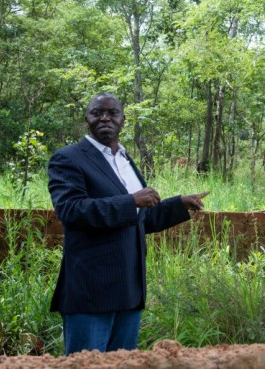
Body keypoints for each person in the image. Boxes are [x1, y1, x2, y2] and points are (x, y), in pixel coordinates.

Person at [47, 92, 209, 355]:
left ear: (123, 120)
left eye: (113, 113)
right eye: (97, 113)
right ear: (86, 119)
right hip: (91, 292)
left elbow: (139, 219)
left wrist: (178, 204)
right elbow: (71, 210)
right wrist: (131, 200)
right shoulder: (69, 158)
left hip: (129, 291)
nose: (105, 118)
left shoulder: (125, 160)